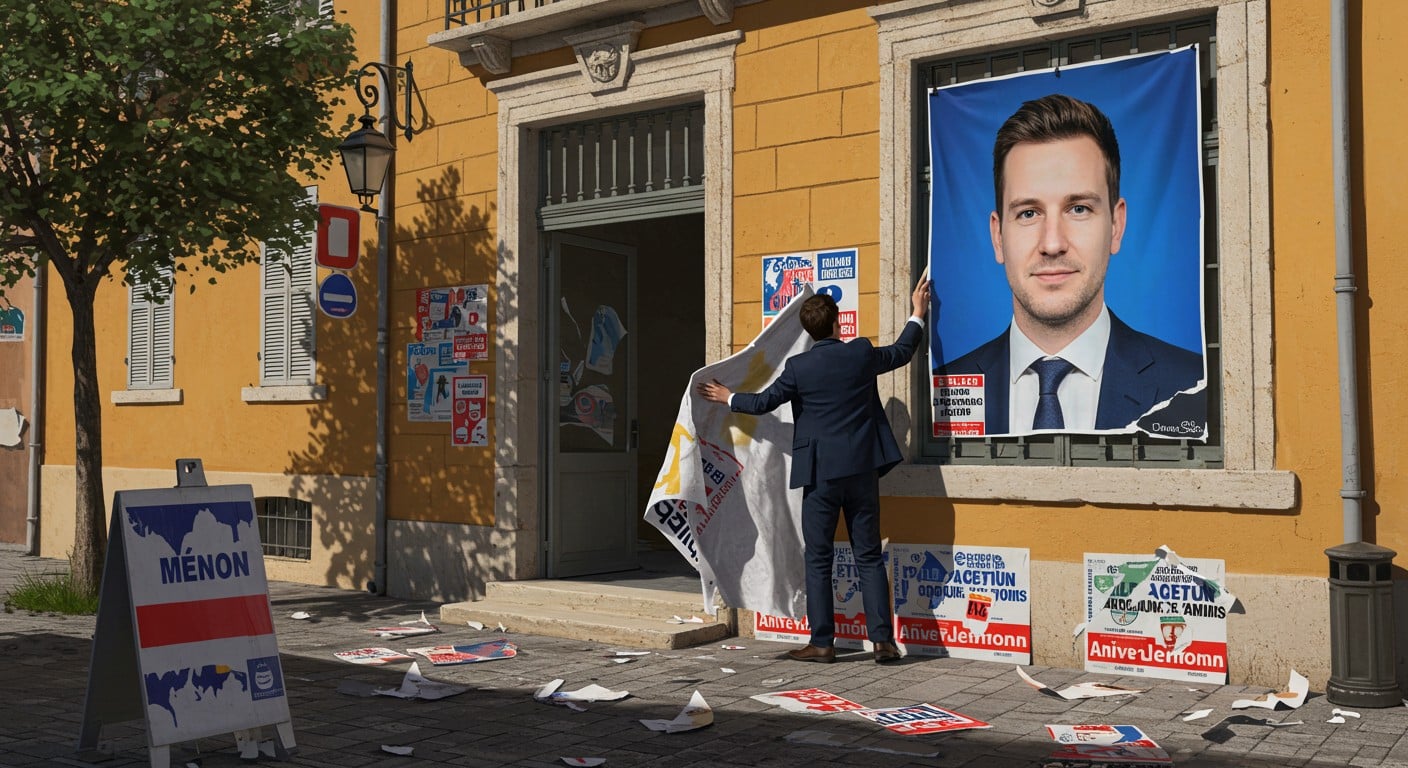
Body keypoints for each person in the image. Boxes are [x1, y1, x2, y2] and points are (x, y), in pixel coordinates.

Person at [697, 278, 931, 664]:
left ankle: (823, 643)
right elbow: (904, 351)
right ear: (839, 323)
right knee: (869, 556)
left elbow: (763, 403)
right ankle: (883, 642)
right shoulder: (859, 353)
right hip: (861, 471)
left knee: (819, 559)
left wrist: (728, 397)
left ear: (809, 331)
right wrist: (917, 313)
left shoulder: (799, 367)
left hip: (820, 474)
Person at [939, 94, 1202, 434]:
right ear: (998, 236)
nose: (1052, 244)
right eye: (1028, 213)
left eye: (1078, 208)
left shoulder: (1193, 385)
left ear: (1116, 226)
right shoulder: (944, 390)